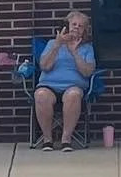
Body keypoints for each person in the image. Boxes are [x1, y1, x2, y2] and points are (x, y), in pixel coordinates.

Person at [33, 10, 96, 150]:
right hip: (48, 85)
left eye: (80, 26)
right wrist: (57, 45)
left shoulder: (87, 48)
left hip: (74, 87)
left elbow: (87, 72)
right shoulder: (52, 44)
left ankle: (66, 139)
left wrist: (74, 52)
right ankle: (47, 139)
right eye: (74, 24)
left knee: (73, 95)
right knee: (41, 95)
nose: (76, 28)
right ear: (67, 26)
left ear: (84, 31)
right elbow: (44, 66)